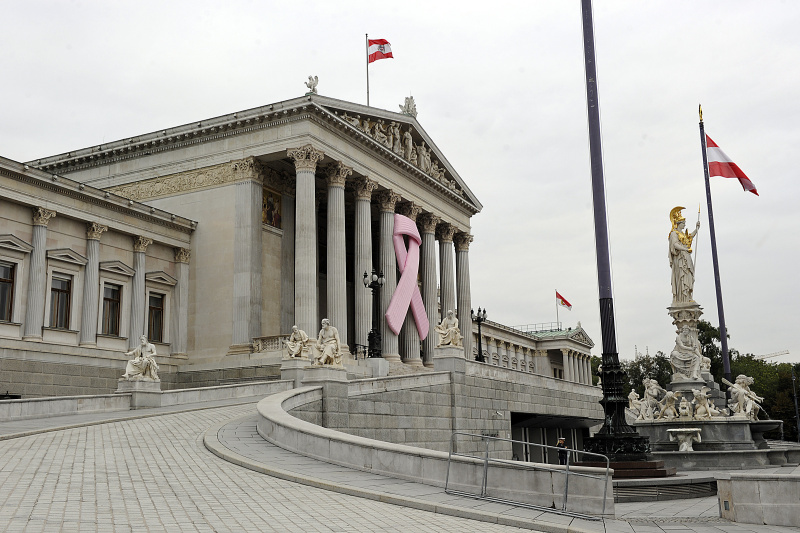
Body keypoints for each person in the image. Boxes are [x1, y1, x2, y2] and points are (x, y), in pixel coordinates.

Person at [668, 207, 700, 304]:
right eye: (683, 223)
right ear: (678, 224)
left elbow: (689, 237)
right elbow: (675, 245)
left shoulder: (682, 234)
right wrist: (684, 249)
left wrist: (697, 228)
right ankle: (682, 298)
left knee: (689, 276)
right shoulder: (674, 233)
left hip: (686, 257)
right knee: (682, 278)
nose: (684, 224)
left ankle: (688, 296)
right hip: (680, 258)